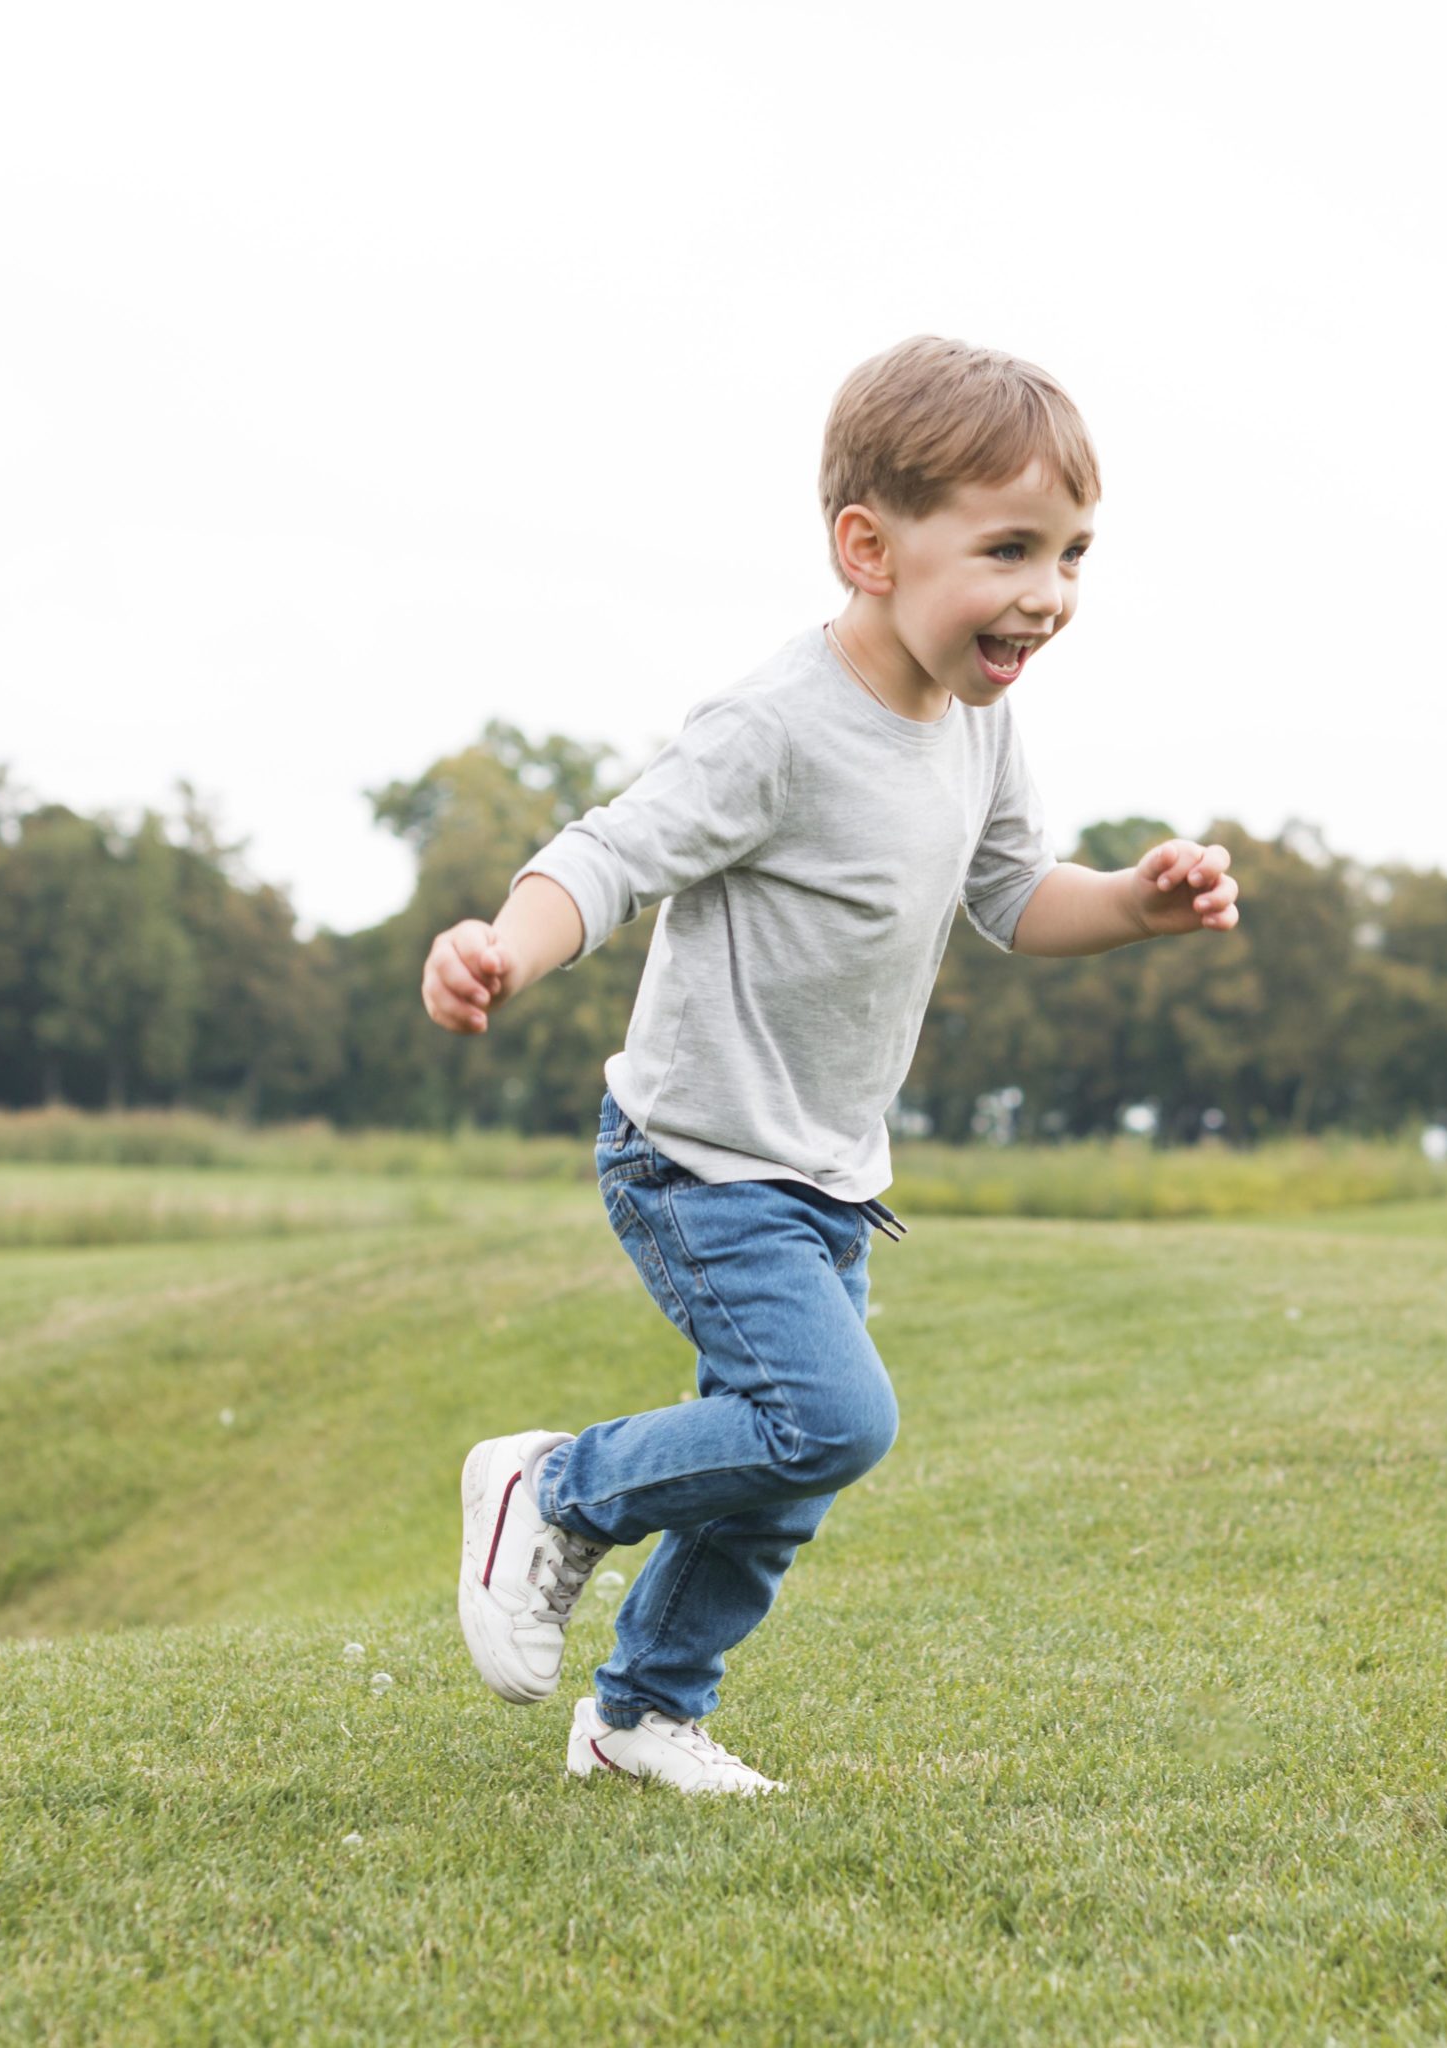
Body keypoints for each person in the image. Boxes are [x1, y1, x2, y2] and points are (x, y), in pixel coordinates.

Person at [418, 336, 1240, 1794]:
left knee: (780, 1474)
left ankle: (639, 1717)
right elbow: (613, 852)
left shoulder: (980, 723)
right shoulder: (777, 726)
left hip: (827, 1175)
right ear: (869, 547)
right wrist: (506, 942)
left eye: (1072, 553)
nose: (1047, 593)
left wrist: (1136, 905)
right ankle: (554, 1489)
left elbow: (1013, 897)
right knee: (830, 1421)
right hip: (697, 1158)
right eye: (1008, 549)